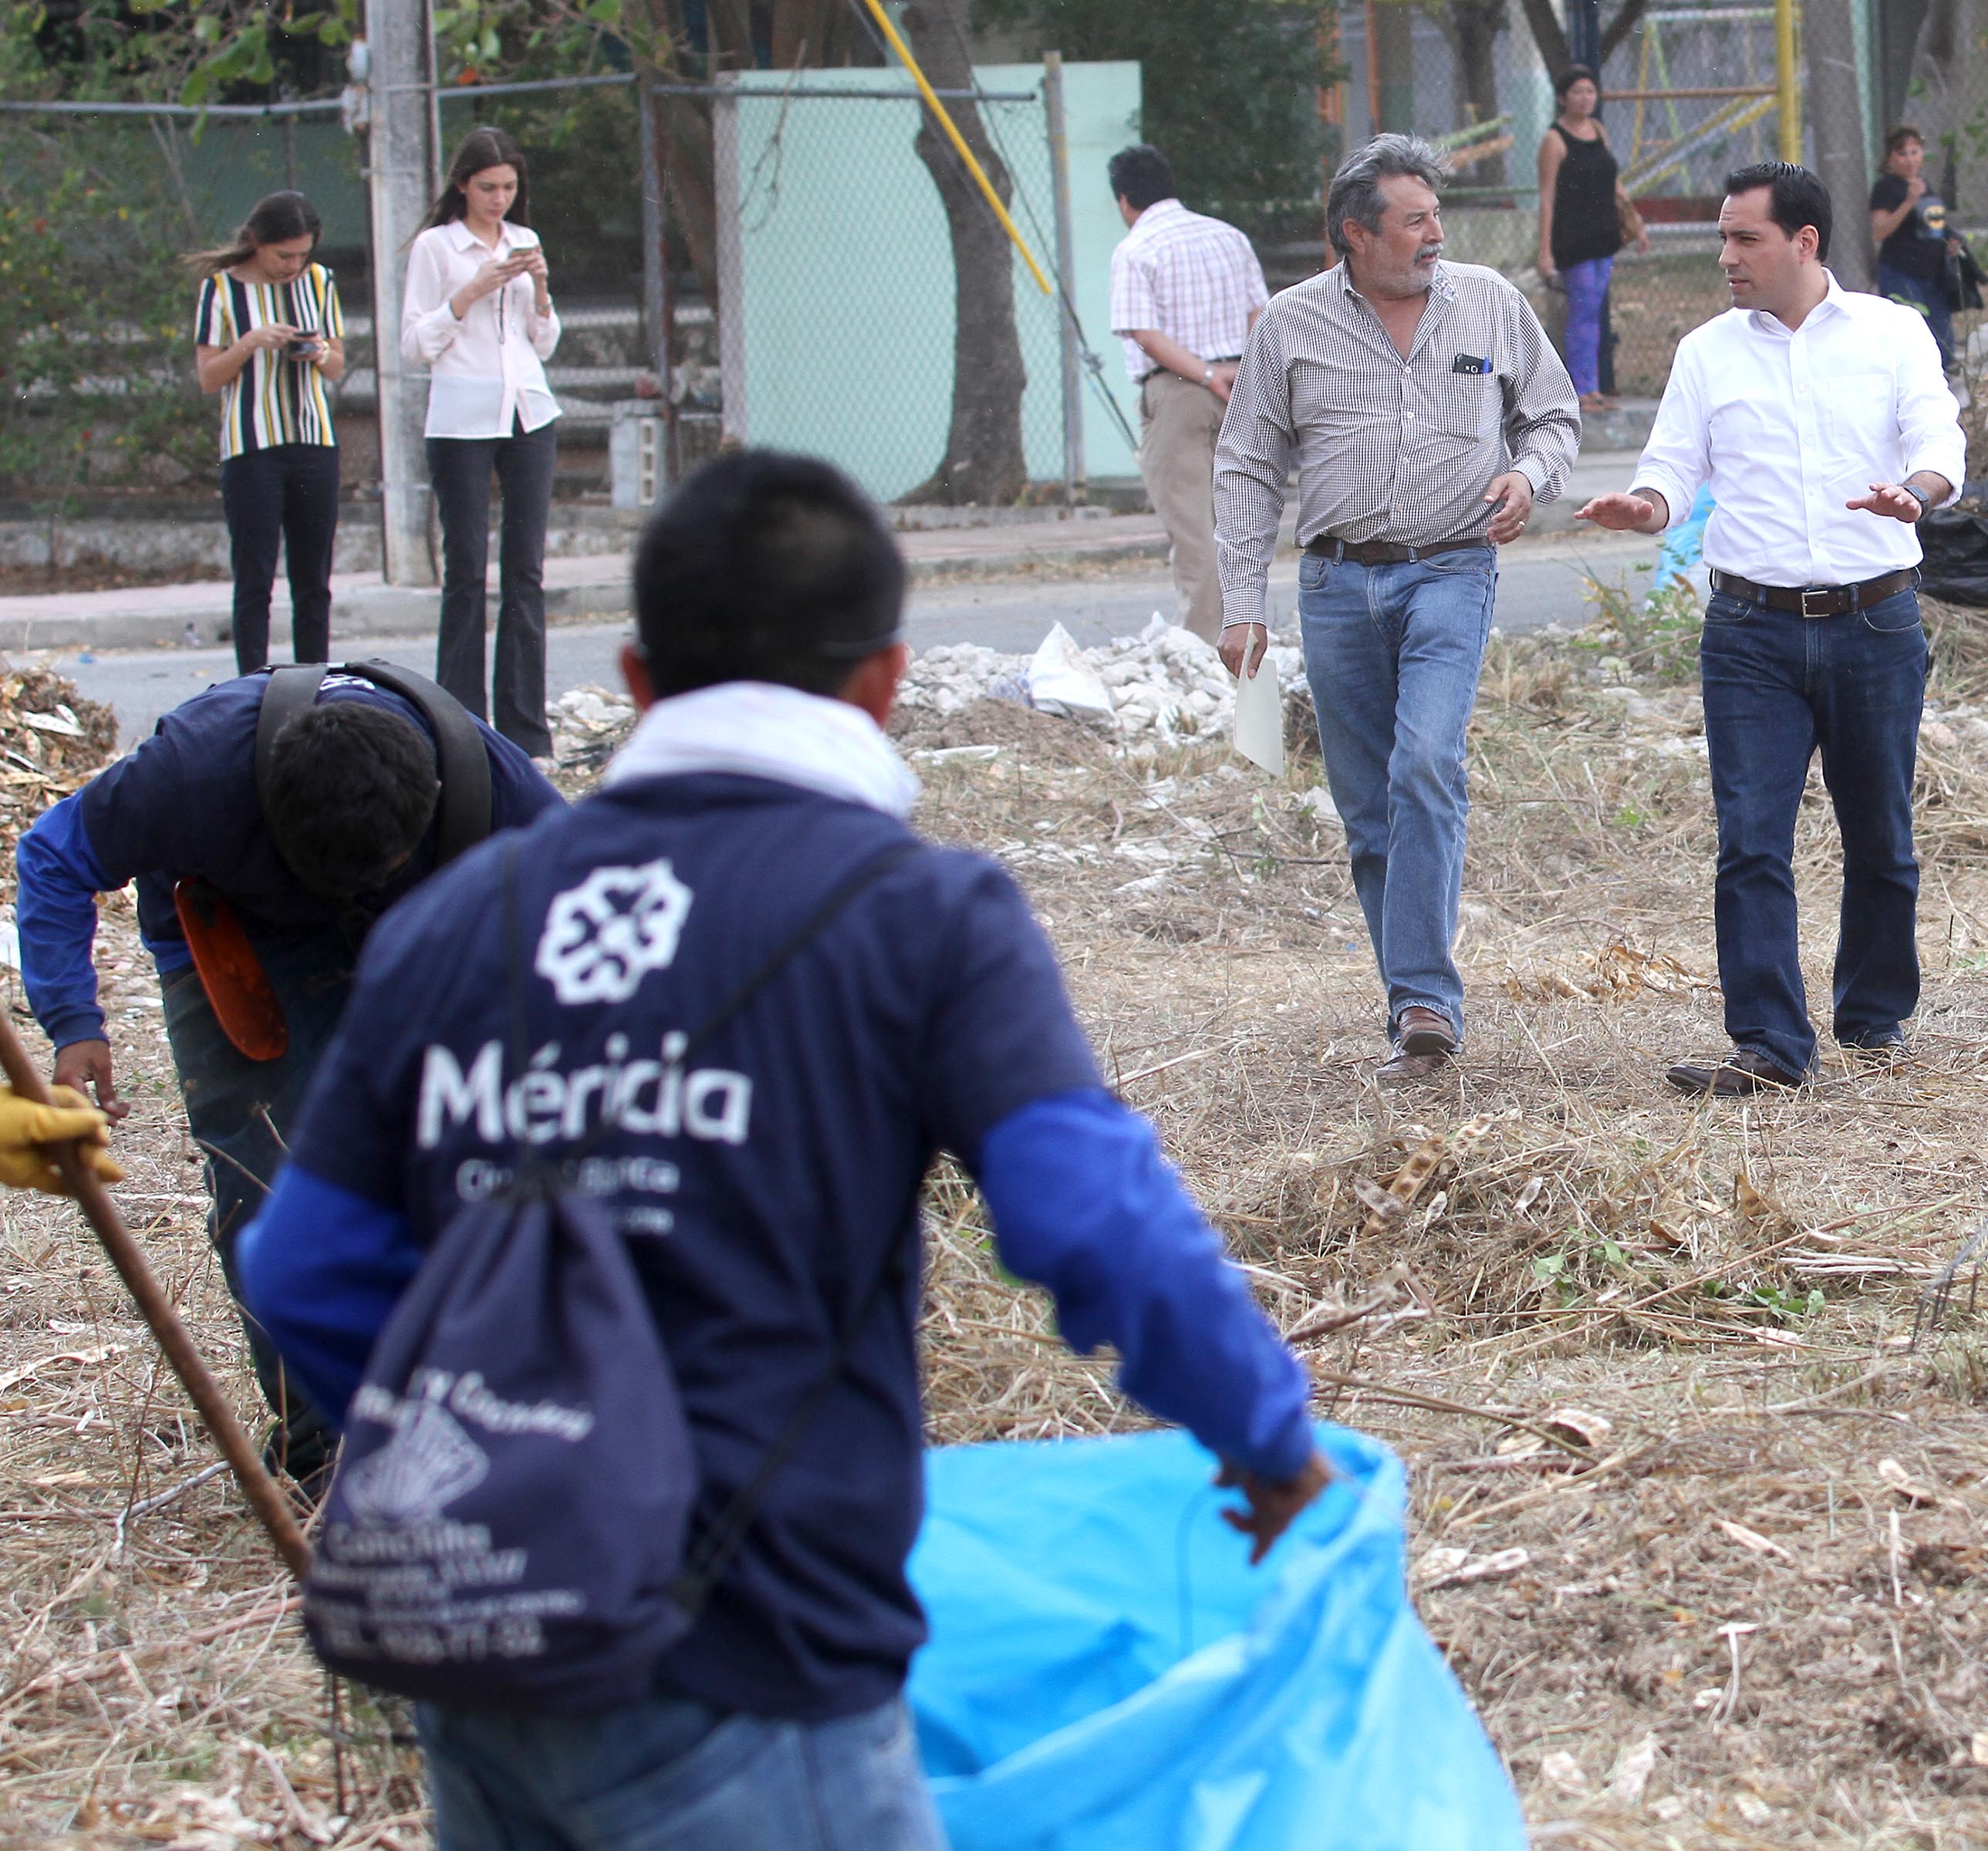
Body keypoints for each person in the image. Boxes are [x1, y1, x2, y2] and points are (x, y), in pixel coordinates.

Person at [234, 450, 1330, 1849]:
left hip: (483, 1665)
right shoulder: (919, 917)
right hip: (754, 1660)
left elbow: (302, 1263)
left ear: (634, 681)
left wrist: (507, 1461)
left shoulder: (461, 917)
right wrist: (1260, 1431)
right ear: (885, 680)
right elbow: (1088, 1218)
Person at [15, 668, 562, 1476]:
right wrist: (72, 1024)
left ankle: (484, 1415)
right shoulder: (191, 777)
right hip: (238, 933)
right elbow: (53, 858)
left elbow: (598, 916)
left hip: (428, 929)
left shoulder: (493, 788)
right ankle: (321, 1445)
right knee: (261, 1176)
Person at [1576, 162, 1963, 1096]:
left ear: (1804, 243)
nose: (1725, 257)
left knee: (1882, 835)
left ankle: (1875, 1019)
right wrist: (1646, 506)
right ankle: (1769, 1045)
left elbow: (1938, 440)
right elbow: (1670, 466)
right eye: (1721, 237)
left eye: (1744, 238)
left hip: (1874, 620)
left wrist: (1911, 495)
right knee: (1751, 839)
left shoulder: (1891, 332)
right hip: (1749, 631)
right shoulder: (1708, 351)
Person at [1215, 135, 1581, 1084]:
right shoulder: (1290, 324)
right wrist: (1241, 603)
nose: (1434, 236)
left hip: (1453, 571)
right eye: (1413, 221)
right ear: (1355, 234)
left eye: (1435, 217)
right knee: (1368, 812)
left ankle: (1425, 999)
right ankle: (1411, 1011)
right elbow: (1249, 464)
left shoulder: (1489, 302)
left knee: (1426, 763)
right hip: (1336, 586)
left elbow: (1553, 414)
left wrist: (1526, 476)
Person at [404, 126, 561, 763]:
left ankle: (526, 730)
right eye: (488, 187)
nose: (499, 200)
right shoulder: (436, 248)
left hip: (529, 408)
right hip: (461, 418)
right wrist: (472, 290)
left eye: (509, 188)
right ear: (463, 185)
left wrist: (540, 288)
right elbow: (416, 344)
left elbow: (543, 343)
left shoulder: (525, 240)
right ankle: (462, 723)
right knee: (465, 570)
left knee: (525, 571)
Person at [1107, 143, 1269, 646]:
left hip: (1179, 393)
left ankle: (1204, 644)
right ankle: (1251, 630)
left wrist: (1203, 374)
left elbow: (1145, 335)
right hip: (1241, 385)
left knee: (1192, 526)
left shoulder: (1136, 249)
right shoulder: (1229, 237)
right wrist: (1237, 369)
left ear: (1124, 199)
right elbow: (1259, 312)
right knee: (1240, 519)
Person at [189, 191, 348, 675]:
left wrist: (317, 351)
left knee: (313, 581)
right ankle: (252, 686)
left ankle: (314, 682)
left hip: (313, 441)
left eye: (302, 255)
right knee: (255, 579)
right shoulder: (220, 289)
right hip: (251, 446)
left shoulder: (319, 282)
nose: (293, 265)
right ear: (257, 242)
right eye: (284, 255)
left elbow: (337, 365)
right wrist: (250, 343)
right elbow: (209, 377)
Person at [1534, 65, 1648, 413]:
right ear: (1563, 98)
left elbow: (1614, 183)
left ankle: (1593, 388)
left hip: (1604, 235)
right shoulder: (1554, 140)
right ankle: (1579, 389)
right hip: (1574, 238)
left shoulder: (1598, 130)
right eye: (1578, 92)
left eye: (1590, 92)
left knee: (1595, 311)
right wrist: (1545, 251)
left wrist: (1635, 222)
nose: (1585, 98)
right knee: (1583, 313)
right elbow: (1547, 196)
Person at [1869, 126, 1956, 373]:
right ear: (1890, 158)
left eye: (1914, 152)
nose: (1910, 159)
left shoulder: (1925, 185)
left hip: (1932, 272)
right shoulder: (1887, 188)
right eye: (1902, 154)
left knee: (1943, 338)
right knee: (1911, 336)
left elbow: (1935, 224)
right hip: (1902, 271)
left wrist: (1949, 242)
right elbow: (1879, 231)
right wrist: (1908, 202)